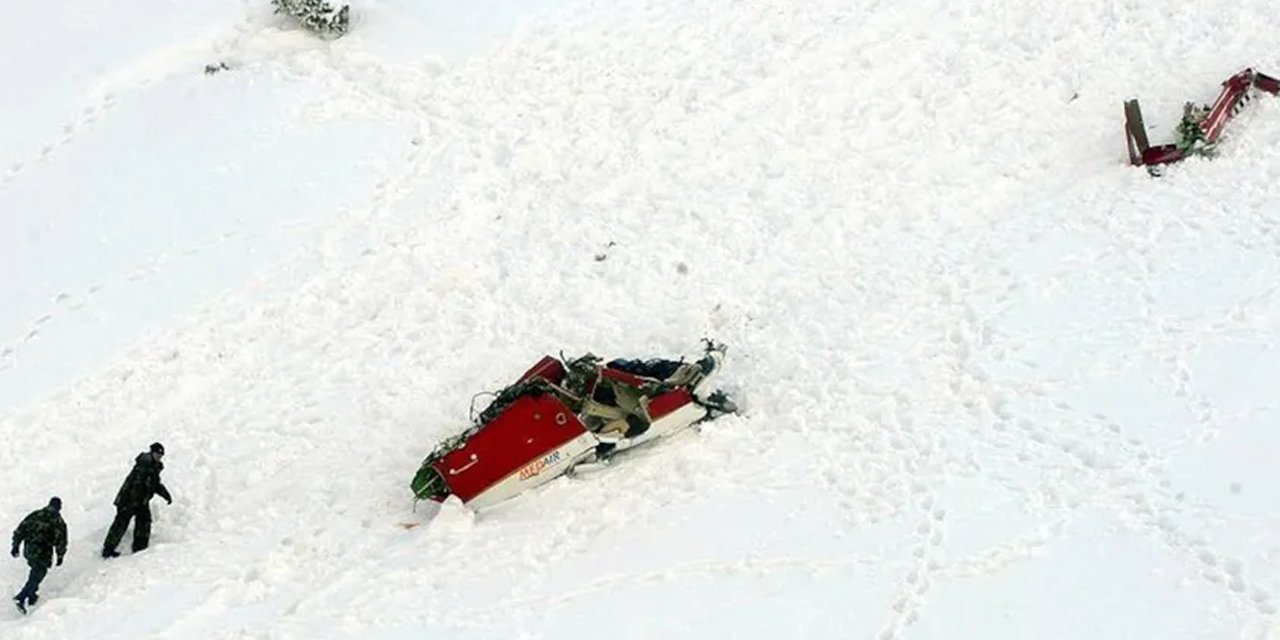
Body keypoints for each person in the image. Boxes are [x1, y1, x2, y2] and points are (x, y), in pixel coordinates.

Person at [102, 442, 172, 558]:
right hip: (128, 500)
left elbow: (155, 485)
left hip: (140, 501)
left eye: (161, 455)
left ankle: (140, 548)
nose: (159, 457)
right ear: (152, 452)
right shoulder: (144, 464)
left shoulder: (153, 466)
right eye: (157, 454)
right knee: (120, 524)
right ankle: (108, 549)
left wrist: (166, 495)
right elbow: (136, 485)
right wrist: (135, 502)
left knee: (144, 522)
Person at [11, 497, 67, 614]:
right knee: (38, 573)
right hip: (43, 553)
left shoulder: (35, 515)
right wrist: (60, 555)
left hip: (29, 550)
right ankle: (21, 597)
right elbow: (61, 540)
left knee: (35, 572)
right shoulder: (58, 521)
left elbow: (20, 530)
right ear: (59, 507)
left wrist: (15, 546)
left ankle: (32, 595)